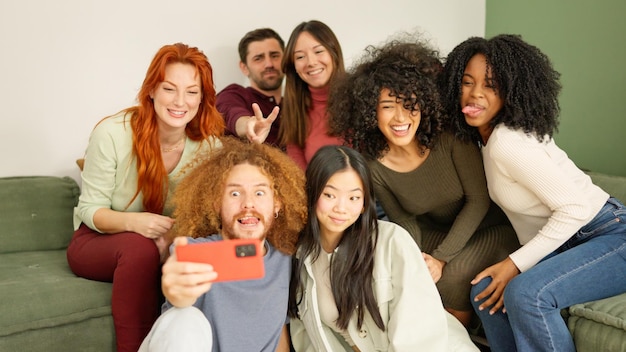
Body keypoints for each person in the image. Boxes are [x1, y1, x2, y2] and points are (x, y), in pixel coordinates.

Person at [439, 34, 626, 352]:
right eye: (467, 82)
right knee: (487, 293)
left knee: (526, 293)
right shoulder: (483, 139)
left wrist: (513, 264)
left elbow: (575, 208)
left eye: (490, 85)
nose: (475, 95)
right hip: (570, 243)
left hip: (609, 236)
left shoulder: (508, 142)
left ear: (511, 91)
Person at [327, 37, 519, 327]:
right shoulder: (372, 163)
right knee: (397, 269)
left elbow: (478, 201)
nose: (401, 117)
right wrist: (417, 259)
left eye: (410, 104)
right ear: (371, 112)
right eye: (388, 106)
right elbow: (403, 216)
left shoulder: (450, 137)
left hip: (489, 228)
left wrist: (440, 260)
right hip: (434, 232)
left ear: (425, 103)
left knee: (451, 279)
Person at [67, 43, 224, 351]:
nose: (181, 101)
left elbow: (206, 216)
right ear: (151, 89)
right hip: (96, 240)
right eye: (169, 89)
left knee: (206, 250)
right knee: (141, 250)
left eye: (192, 92)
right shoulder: (112, 133)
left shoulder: (209, 148)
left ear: (202, 98)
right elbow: (89, 209)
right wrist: (136, 223)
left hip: (164, 242)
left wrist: (174, 237)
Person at [289, 145, 479, 351]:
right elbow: (307, 337)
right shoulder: (301, 257)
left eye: (353, 197)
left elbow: (419, 335)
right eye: (329, 195)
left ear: (364, 204)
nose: (341, 208)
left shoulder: (392, 241)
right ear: (311, 193)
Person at [139, 137, 308, 352]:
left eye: (259, 192)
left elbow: (277, 334)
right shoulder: (193, 251)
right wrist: (177, 294)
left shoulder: (284, 260)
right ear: (217, 204)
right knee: (185, 317)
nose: (248, 203)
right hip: (178, 339)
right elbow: (179, 301)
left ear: (277, 204)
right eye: (235, 193)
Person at [278, 20, 344, 170]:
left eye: (318, 51)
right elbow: (299, 175)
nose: (311, 62)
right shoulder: (294, 111)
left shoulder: (361, 97)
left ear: (334, 53)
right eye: (300, 57)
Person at [216, 28, 284, 146]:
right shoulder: (234, 95)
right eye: (258, 58)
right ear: (244, 67)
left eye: (274, 55)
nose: (269, 64)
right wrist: (249, 125)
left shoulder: (299, 104)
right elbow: (230, 113)